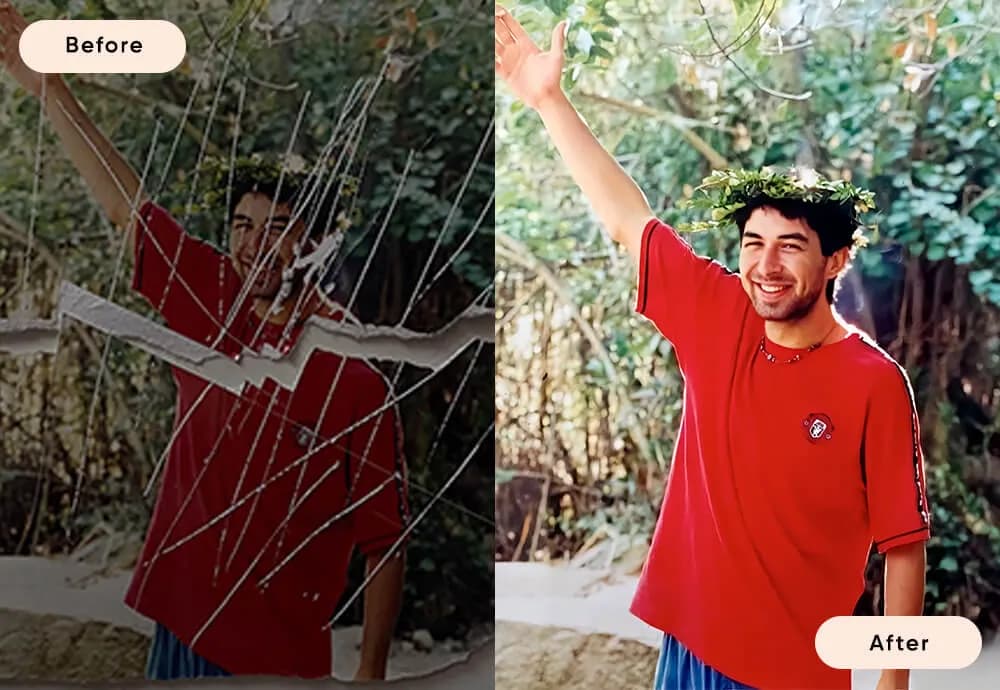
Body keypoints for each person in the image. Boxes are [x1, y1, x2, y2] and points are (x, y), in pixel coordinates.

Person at [495, 6, 929, 690]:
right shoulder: (718, 313)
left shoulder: (874, 381)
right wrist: (548, 99)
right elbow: (626, 219)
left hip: (798, 674)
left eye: (792, 246)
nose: (767, 265)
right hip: (690, 652)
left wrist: (894, 683)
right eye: (753, 244)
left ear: (838, 260)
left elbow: (903, 546)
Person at [0, 0, 409, 680]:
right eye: (242, 227)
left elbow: (385, 540)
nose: (254, 244)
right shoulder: (211, 301)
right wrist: (53, 89)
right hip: (181, 624)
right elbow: (127, 206)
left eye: (276, 226)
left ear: (312, 244)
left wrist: (370, 673)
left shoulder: (355, 374)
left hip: (277, 656)